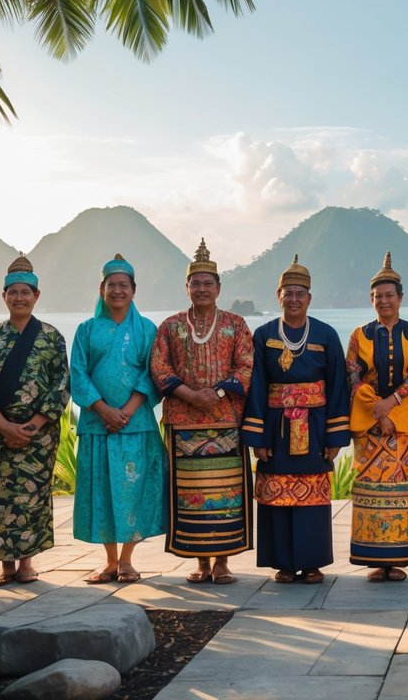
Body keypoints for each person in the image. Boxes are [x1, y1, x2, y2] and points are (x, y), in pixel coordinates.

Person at [150, 240, 255, 585]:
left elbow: (247, 366)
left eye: (208, 283)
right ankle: (200, 561)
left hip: (226, 421)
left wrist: (218, 392)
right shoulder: (170, 326)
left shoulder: (236, 325)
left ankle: (223, 561)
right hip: (183, 425)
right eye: (196, 283)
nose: (202, 289)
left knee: (227, 493)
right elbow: (159, 367)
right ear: (187, 287)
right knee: (190, 495)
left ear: (219, 288)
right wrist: (190, 395)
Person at [242, 255, 350, 584]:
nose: (293, 299)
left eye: (300, 293)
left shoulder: (326, 334)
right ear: (278, 296)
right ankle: (283, 563)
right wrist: (258, 440)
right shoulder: (262, 335)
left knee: (313, 498)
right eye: (287, 293)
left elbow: (338, 388)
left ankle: (313, 562)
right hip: (276, 429)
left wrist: (334, 438)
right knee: (277, 495)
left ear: (309, 298)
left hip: (315, 428)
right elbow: (256, 385)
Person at [0, 255, 70, 586]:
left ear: (36, 296)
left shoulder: (51, 338)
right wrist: (3, 426)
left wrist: (35, 424)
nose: (20, 298)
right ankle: (5, 565)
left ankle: (27, 562)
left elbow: (62, 385)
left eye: (26, 292)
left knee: (31, 498)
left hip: (37, 437)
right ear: (4, 296)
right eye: (13, 292)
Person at [71, 254, 166, 584]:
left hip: (136, 424)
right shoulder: (86, 330)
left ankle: (127, 560)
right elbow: (78, 374)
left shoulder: (148, 330)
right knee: (101, 490)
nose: (117, 291)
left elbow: (153, 373)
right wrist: (103, 409)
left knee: (133, 490)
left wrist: (126, 410)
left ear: (134, 290)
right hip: (99, 425)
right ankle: (109, 560)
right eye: (111, 285)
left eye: (123, 285)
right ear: (101, 289)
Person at [345, 252, 408, 581]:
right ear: (371, 299)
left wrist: (392, 402)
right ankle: (374, 559)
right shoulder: (359, 335)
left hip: (405, 423)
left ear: (401, 297)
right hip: (370, 425)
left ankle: (400, 559)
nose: (384, 301)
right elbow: (353, 376)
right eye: (378, 296)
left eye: (389, 295)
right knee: (371, 492)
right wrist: (377, 410)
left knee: (403, 492)